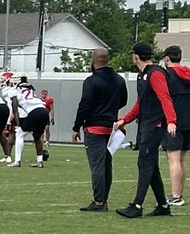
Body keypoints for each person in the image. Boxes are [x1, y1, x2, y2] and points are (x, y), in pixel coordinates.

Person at [112, 42, 177, 218]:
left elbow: (165, 98)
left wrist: (171, 121)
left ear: (136, 56)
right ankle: (163, 206)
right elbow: (141, 104)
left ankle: (137, 205)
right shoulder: (143, 75)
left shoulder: (155, 74)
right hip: (147, 124)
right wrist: (124, 120)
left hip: (155, 125)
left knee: (144, 163)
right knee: (151, 166)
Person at [71, 50, 128, 210]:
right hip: (111, 127)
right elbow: (123, 100)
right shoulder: (119, 80)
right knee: (107, 164)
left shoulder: (91, 81)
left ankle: (99, 202)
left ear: (94, 61)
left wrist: (76, 127)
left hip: (94, 127)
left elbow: (85, 105)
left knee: (97, 165)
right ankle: (104, 199)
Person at [160, 45, 190, 206]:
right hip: (189, 119)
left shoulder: (167, 76)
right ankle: (178, 193)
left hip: (173, 121)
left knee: (173, 159)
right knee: (182, 159)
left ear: (167, 58)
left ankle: (175, 196)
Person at [8, 81, 51, 168]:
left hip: (35, 112)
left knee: (19, 134)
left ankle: (17, 161)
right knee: (37, 136)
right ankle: (39, 162)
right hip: (44, 111)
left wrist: (18, 124)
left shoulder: (14, 92)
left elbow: (15, 110)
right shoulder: (30, 91)